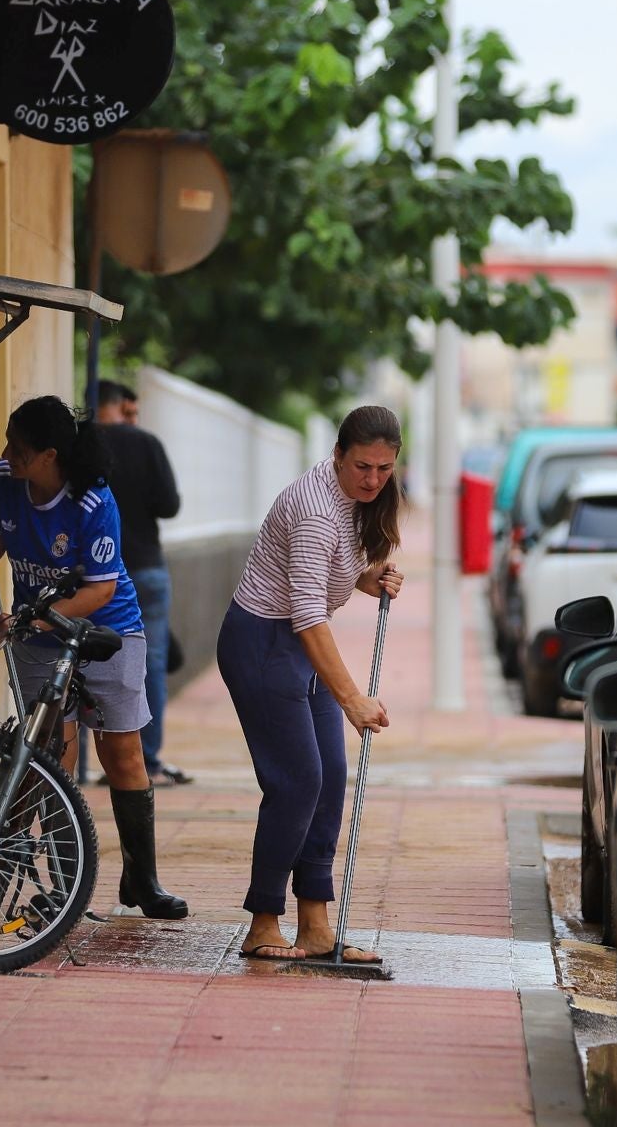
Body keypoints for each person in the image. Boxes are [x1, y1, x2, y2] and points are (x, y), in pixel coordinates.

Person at [0, 395, 187, 921]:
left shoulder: (92, 500)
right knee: (52, 757)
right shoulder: (6, 481)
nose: (7, 454)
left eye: (19, 447)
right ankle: (67, 884)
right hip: (36, 635)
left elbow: (100, 590)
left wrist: (32, 618)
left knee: (122, 752)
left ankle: (142, 880)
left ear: (50, 455)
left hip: (106, 630)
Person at [218, 405, 406, 962]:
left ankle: (317, 924)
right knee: (297, 780)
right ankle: (263, 922)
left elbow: (326, 576)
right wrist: (352, 699)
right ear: (337, 456)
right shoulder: (316, 509)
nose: (373, 479)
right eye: (362, 467)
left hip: (297, 644)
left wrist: (370, 578)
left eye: (384, 468)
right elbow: (306, 613)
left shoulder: (352, 500)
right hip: (263, 643)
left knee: (329, 778)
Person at [94, 380, 191, 787]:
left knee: (84, 664)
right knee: (148, 665)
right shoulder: (147, 443)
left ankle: (85, 759)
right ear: (119, 406)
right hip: (146, 569)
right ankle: (145, 760)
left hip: (95, 573)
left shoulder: (84, 445)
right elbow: (169, 505)